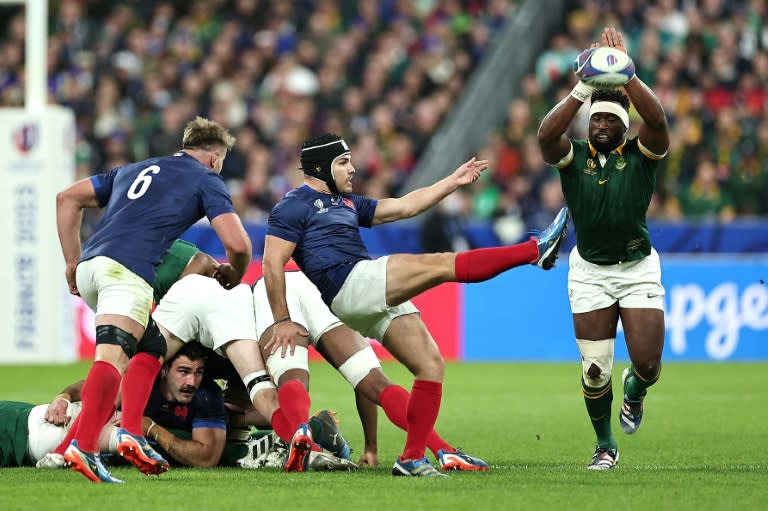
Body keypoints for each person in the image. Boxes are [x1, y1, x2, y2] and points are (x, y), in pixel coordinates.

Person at [262, 133, 569, 477]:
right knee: (439, 263)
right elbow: (272, 263)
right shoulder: (292, 204)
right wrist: (282, 320)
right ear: (321, 168)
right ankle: (533, 250)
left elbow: (406, 205)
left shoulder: (346, 202)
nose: (353, 168)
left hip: (364, 291)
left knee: (431, 365)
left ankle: (411, 459)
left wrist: (453, 182)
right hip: (349, 282)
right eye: (343, 162)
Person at [55, 116, 252, 483]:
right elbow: (239, 245)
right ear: (213, 158)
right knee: (112, 358)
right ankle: (82, 446)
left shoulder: (133, 169)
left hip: (92, 265)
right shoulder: (205, 177)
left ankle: (129, 430)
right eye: (221, 162)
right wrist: (236, 274)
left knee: (151, 345)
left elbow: (67, 198)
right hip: (126, 272)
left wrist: (71, 262)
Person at [536, 27, 669, 470]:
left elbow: (659, 122)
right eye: (597, 119)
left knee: (648, 364)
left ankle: (636, 391)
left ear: (624, 125)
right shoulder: (574, 159)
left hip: (637, 269)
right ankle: (605, 445)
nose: (603, 125)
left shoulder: (642, 154)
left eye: (611, 119)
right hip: (590, 270)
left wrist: (625, 73)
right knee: (594, 369)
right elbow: (544, 137)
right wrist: (584, 85)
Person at [252, 268, 489, 472]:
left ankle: (303, 434)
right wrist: (370, 447)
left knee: (291, 376)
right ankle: (443, 449)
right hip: (317, 283)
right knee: (374, 381)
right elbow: (361, 388)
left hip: (272, 289)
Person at [31, 344, 355, 471]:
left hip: (212, 415)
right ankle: (310, 429)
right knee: (232, 423)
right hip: (193, 425)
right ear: (163, 370)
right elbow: (91, 388)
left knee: (233, 422)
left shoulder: (204, 393)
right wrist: (62, 397)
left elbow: (205, 459)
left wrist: (150, 428)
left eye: (197, 373)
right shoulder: (139, 383)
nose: (191, 381)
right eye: (183, 372)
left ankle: (311, 429)